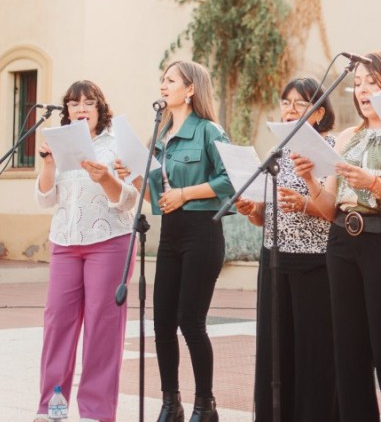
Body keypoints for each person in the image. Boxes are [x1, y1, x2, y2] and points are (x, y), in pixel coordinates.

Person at [291, 51, 381, 421]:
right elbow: (327, 208)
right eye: (358, 83)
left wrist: (372, 183)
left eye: (374, 82)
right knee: (349, 354)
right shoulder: (346, 138)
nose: (363, 90)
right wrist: (309, 179)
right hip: (341, 242)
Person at [125, 61, 234, 422]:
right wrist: (134, 175)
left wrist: (186, 193)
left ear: (190, 89)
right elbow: (156, 193)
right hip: (170, 232)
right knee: (162, 323)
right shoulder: (160, 136)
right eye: (162, 79)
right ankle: (170, 403)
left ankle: (206, 404)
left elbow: (230, 181)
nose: (163, 85)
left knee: (191, 320)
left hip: (202, 231)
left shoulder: (209, 131)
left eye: (170, 80)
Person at [234, 77, 339, 422]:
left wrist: (306, 204)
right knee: (276, 350)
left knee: (313, 352)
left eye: (300, 103)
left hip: (316, 263)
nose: (290, 108)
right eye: (286, 102)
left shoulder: (332, 149)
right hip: (275, 260)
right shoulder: (275, 154)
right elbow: (265, 217)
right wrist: (252, 210)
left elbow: (334, 211)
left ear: (319, 113)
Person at [34, 80, 139, 422]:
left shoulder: (116, 143)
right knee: (57, 324)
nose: (81, 109)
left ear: (99, 109)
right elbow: (45, 199)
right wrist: (49, 164)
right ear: (66, 110)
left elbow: (129, 201)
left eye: (89, 103)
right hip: (65, 242)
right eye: (74, 103)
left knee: (102, 328)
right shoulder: (61, 144)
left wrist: (105, 178)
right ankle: (53, 408)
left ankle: (96, 413)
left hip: (109, 242)